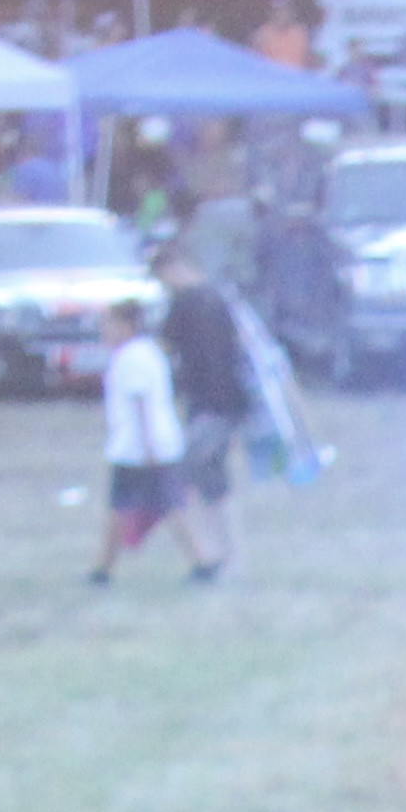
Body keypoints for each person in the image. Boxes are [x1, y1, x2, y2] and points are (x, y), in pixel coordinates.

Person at [87, 297, 205, 587]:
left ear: (127, 325)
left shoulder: (132, 357)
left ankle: (202, 561)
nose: (105, 331)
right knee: (157, 506)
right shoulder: (148, 352)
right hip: (149, 446)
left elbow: (141, 402)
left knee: (138, 507)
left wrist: (149, 445)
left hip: (138, 449)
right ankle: (104, 568)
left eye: (110, 324)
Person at [152, 243, 253, 577]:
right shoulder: (221, 299)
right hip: (231, 402)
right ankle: (230, 555)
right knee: (213, 482)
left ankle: (208, 554)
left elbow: (162, 350)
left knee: (181, 477)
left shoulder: (184, 304)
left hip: (207, 405)